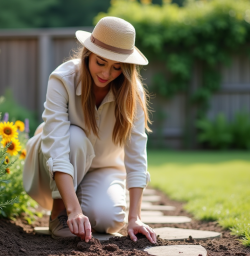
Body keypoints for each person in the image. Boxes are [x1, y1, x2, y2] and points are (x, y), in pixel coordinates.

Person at [23, 16, 156, 244]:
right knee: (75, 138)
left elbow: (136, 155)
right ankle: (59, 214)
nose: (106, 74)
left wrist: (135, 218)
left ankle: (81, 207)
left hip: (101, 169)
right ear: (88, 55)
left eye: (117, 68)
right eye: (101, 62)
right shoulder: (62, 80)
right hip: (53, 162)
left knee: (109, 218)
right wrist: (73, 210)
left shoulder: (132, 93)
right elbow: (56, 148)